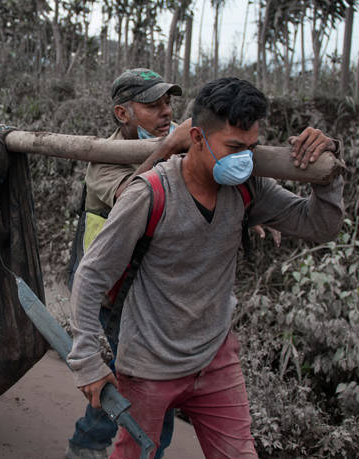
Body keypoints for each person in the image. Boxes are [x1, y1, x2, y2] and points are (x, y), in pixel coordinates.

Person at [67, 77, 344, 458]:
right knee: (140, 451)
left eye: (251, 148)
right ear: (196, 137)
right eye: (233, 148)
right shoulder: (149, 193)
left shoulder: (249, 188)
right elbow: (93, 273)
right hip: (149, 362)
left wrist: (326, 175)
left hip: (216, 358)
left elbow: (319, 225)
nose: (244, 159)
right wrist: (86, 361)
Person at [66, 68, 180, 459]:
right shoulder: (102, 163)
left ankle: (109, 447)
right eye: (153, 105)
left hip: (157, 286)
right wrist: (169, 150)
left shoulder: (181, 136)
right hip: (113, 288)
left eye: (168, 103)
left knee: (146, 380)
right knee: (127, 379)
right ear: (122, 114)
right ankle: (90, 447)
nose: (166, 112)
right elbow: (138, 194)